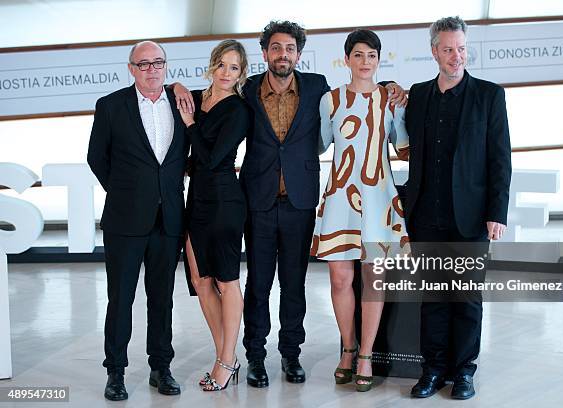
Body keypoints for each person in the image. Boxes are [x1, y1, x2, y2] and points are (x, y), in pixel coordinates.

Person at [172, 20, 406, 388]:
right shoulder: (245, 88)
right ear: (265, 53)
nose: (283, 55)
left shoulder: (317, 89)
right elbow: (213, 90)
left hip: (300, 201)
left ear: (298, 53)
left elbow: (362, 92)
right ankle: (255, 358)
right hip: (257, 200)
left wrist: (392, 88)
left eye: (290, 49)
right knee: (258, 285)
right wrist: (177, 85)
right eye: (276, 48)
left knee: (294, 285)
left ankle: (291, 355)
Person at [400, 16, 511, 400]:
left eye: (461, 48)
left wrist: (497, 212)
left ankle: (464, 371)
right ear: (434, 51)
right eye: (448, 49)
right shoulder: (417, 95)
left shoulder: (489, 95)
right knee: (432, 298)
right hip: (426, 215)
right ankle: (432, 371)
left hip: (471, 217)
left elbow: (500, 159)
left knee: (465, 298)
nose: (456, 56)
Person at [87, 41, 188, 401]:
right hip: (125, 220)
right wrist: (127, 192)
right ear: (131, 68)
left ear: (166, 66)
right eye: (143, 64)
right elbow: (97, 157)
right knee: (121, 299)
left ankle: (161, 367)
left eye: (158, 62)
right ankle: (115, 372)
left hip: (169, 219)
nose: (151, 69)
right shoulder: (111, 106)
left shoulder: (182, 103)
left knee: (162, 299)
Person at [310, 29, 409, 392]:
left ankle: (366, 353)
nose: (365, 62)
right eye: (358, 55)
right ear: (347, 59)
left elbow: (403, 145)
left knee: (374, 279)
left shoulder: (391, 99)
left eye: (372, 55)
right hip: (340, 198)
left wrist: (405, 100)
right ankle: (348, 348)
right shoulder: (330, 101)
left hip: (379, 200)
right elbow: (320, 142)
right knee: (339, 278)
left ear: (378, 60)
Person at [178, 39, 250, 392]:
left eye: (233, 68)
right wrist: (177, 87)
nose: (225, 73)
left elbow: (213, 158)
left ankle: (225, 361)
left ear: (241, 74)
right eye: (221, 64)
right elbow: (169, 89)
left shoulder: (238, 110)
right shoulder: (198, 97)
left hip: (224, 201)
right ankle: (228, 356)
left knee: (225, 281)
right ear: (212, 65)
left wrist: (190, 123)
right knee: (200, 280)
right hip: (197, 202)